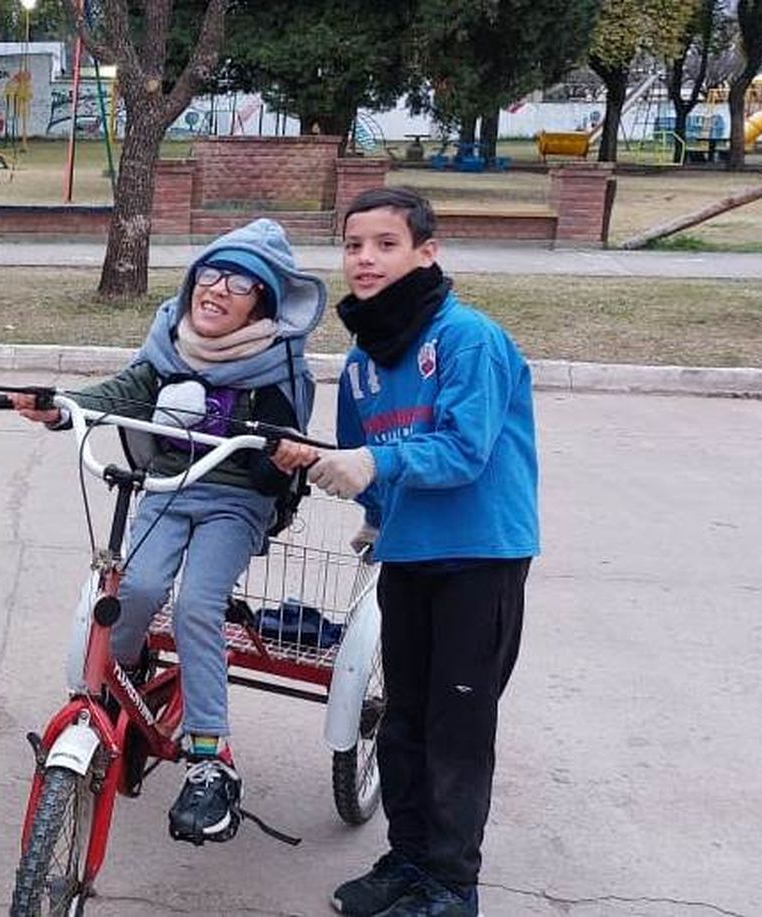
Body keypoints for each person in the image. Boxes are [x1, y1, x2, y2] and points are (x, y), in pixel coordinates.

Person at [12, 218, 325, 845]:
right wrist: (62, 406)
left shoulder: (274, 363)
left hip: (233, 502)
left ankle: (211, 757)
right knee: (136, 590)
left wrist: (283, 451)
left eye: (239, 283)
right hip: (164, 488)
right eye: (209, 275)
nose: (217, 290)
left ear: (262, 301)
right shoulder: (170, 341)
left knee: (198, 608)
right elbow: (124, 391)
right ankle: (116, 696)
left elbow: (285, 450)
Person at [274, 187, 539, 917]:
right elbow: (365, 454)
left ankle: (452, 883)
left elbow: (462, 449)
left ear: (427, 252)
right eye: (354, 244)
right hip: (411, 553)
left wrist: (373, 466)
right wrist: (367, 503)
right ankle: (409, 857)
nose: (365, 258)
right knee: (403, 718)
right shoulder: (363, 360)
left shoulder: (467, 338)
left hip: (479, 558)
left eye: (385, 244)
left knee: (457, 725)